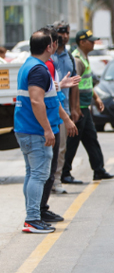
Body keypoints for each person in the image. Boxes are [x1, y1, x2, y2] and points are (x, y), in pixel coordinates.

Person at [14, 28, 77, 233]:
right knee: (39, 175)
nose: (56, 45)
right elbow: (36, 100)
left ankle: (32, 216)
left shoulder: (33, 66)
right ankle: (32, 218)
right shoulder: (39, 69)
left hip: (27, 129)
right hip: (34, 131)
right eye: (54, 42)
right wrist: (48, 130)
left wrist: (60, 85)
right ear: (49, 47)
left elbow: (45, 94)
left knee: (33, 173)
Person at [62, 29, 114, 183]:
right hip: (80, 108)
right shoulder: (77, 59)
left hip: (85, 105)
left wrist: (97, 98)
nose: (93, 43)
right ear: (82, 42)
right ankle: (65, 172)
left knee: (90, 138)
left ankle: (98, 169)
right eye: (90, 41)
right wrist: (76, 108)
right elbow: (74, 86)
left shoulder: (84, 57)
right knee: (73, 140)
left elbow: (86, 83)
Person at [50, 21, 80, 193]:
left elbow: (74, 83)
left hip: (64, 108)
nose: (65, 36)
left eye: (67, 33)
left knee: (62, 148)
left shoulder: (69, 57)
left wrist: (74, 108)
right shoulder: (49, 55)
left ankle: (56, 181)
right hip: (50, 109)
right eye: (61, 32)